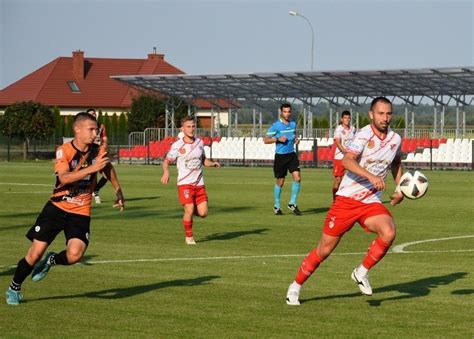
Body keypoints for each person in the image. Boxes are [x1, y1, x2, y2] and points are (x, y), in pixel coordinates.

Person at [286, 97, 404, 306]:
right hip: (347, 200)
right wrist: (371, 176)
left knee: (389, 231)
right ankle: (295, 286)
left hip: (370, 202)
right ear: (371, 114)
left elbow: (396, 163)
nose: (385, 118)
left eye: (388, 113)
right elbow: (346, 160)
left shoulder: (395, 139)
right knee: (324, 250)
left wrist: (399, 188)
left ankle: (361, 272)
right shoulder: (363, 135)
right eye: (381, 113)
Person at [5, 112, 125, 306]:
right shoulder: (65, 150)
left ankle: (51, 260)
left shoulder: (97, 151)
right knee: (34, 254)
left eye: (96, 129)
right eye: (91, 129)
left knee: (75, 255)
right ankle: (14, 287)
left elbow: (107, 168)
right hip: (56, 208)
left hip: (80, 211)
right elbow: (64, 178)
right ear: (77, 129)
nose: (95, 133)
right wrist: (91, 169)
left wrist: (118, 191)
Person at [161, 116, 220, 245]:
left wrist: (212, 163)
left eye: (193, 126)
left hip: (199, 184)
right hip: (184, 184)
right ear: (182, 128)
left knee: (203, 213)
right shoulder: (177, 145)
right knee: (189, 209)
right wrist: (166, 172)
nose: (191, 129)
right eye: (188, 126)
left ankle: (189, 214)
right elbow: (166, 161)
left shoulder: (199, 142)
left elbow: (203, 160)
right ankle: (189, 237)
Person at [264, 103, 301, 216]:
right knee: (280, 182)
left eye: (289, 111)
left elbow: (293, 135)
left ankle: (292, 202)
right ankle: (277, 205)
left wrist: (296, 140)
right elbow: (265, 140)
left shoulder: (293, 124)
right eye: (285, 111)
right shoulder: (276, 126)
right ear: (281, 112)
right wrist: (277, 139)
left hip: (291, 155)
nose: (287, 114)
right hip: (280, 157)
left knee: (297, 178)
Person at [332, 110, 356, 200]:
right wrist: (346, 152)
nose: (347, 119)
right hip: (340, 157)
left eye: (348, 118)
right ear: (342, 119)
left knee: (351, 179)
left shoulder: (353, 129)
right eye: (345, 118)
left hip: (350, 158)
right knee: (338, 179)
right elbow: (338, 143)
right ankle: (335, 200)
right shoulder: (338, 129)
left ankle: (348, 199)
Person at [86, 108, 108, 204]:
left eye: (94, 114)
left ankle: (96, 190)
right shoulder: (85, 127)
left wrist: (104, 146)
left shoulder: (101, 126)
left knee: (107, 175)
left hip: (100, 153)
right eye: (91, 114)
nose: (93, 115)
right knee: (92, 176)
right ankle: (95, 194)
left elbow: (105, 139)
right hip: (90, 154)